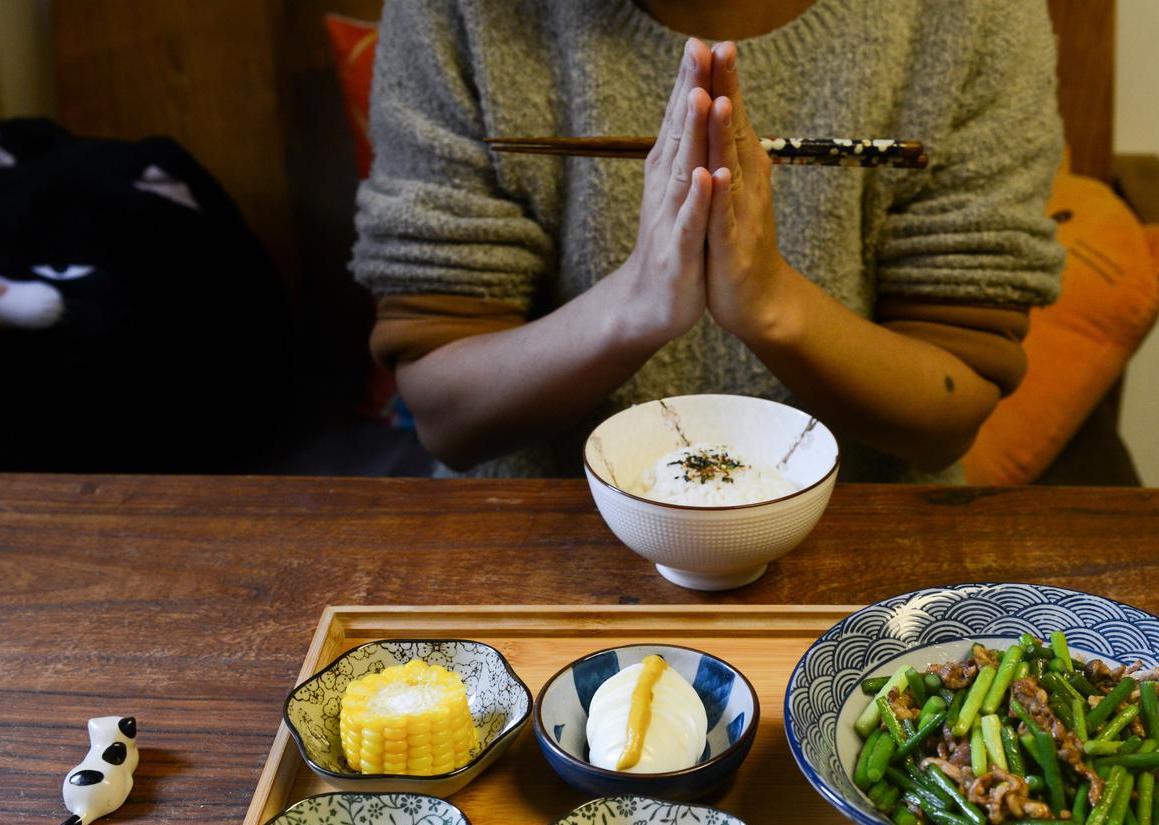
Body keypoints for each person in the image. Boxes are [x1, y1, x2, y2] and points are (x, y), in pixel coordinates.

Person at [353, 0, 1065, 481]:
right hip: (532, 551)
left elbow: (951, 402)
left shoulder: (973, 15)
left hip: (868, 570)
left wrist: (774, 308)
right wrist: (633, 308)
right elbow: (447, 412)